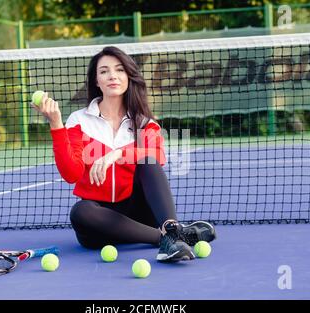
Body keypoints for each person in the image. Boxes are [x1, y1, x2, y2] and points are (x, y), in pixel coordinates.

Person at [31, 46, 216, 262]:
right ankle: (168, 238)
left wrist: (117, 154)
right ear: (96, 81)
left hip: (140, 213)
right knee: (80, 212)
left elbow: (157, 155)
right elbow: (71, 174)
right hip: (98, 223)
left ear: (128, 76)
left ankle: (171, 229)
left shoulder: (145, 122)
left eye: (119, 70)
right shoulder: (79, 120)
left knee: (148, 160)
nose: (112, 76)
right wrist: (55, 124)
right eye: (104, 71)